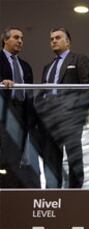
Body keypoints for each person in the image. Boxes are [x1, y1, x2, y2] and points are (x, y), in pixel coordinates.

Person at [34, 27, 89, 188]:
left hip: (70, 115)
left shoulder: (79, 59)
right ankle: (53, 191)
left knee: (73, 154)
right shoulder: (48, 66)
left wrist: (79, 112)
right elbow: (43, 91)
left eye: (58, 38)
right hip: (48, 117)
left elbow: (88, 86)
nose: (53, 41)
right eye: (51, 39)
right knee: (51, 156)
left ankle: (75, 192)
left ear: (68, 42)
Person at [0, 27, 38, 188]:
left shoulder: (25, 66)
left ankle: (12, 190)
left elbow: (30, 94)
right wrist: (2, 82)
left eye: (22, 38)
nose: (20, 41)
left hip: (22, 113)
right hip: (3, 111)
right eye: (16, 37)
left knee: (17, 154)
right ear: (5, 40)